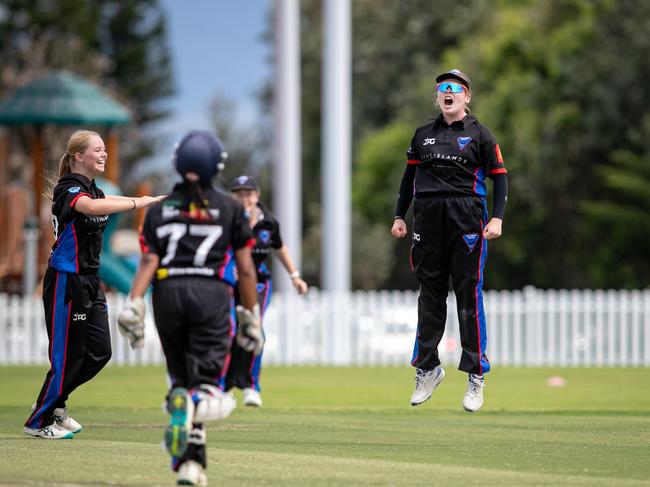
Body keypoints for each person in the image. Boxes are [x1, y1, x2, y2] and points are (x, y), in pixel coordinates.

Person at [117, 130, 263, 486]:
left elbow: (149, 259)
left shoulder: (159, 209)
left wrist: (134, 301)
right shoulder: (230, 208)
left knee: (181, 384)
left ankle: (190, 466)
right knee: (211, 392)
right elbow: (245, 268)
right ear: (217, 166)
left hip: (166, 293)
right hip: (210, 294)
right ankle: (193, 409)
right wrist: (251, 315)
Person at [24, 130, 164, 439]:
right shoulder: (69, 188)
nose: (104, 155)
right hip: (66, 280)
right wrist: (135, 203)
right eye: (97, 150)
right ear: (78, 156)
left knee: (100, 352)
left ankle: (55, 403)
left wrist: (143, 201)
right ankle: (38, 420)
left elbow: (102, 200)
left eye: (104, 150)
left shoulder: (91, 188)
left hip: (90, 281)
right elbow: (88, 207)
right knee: (67, 357)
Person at [391, 69, 508, 413]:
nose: (447, 92)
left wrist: (497, 218)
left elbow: (500, 178)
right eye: (442, 87)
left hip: (467, 217)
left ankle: (475, 375)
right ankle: (428, 368)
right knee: (430, 295)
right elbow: (408, 178)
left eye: (455, 88)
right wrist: (400, 215)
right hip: (427, 218)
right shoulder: (423, 134)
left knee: (468, 295)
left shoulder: (481, 135)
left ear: (467, 96)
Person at [223, 175, 308, 407]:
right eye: (239, 194)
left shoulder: (268, 222)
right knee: (228, 331)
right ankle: (225, 387)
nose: (245, 199)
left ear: (257, 196)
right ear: (232, 197)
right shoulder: (226, 219)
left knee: (254, 329)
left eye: (248, 194)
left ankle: (251, 386)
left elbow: (279, 248)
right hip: (230, 282)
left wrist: (295, 276)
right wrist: (230, 268)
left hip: (259, 282)